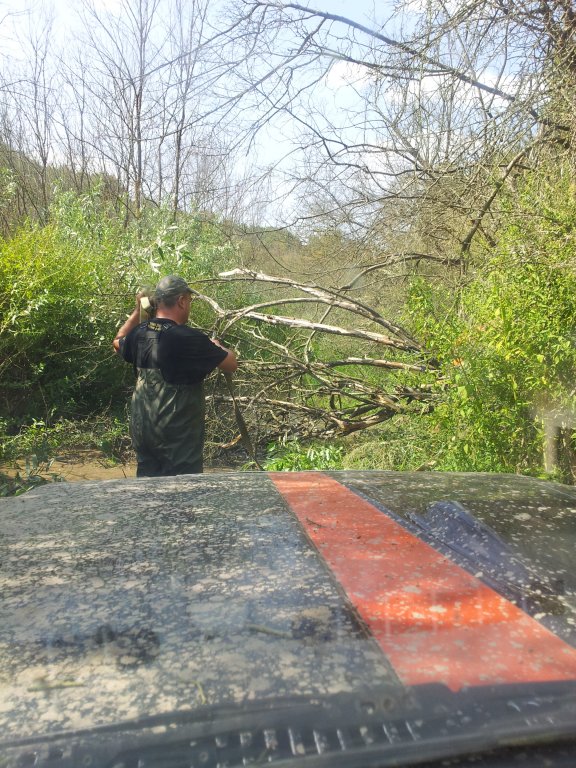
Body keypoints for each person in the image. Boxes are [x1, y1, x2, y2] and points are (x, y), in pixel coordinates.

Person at [113, 275, 237, 477]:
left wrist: (137, 310)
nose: (189, 305)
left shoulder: (140, 333)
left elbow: (117, 342)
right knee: (184, 491)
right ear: (181, 301)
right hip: (177, 441)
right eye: (189, 300)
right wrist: (216, 346)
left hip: (143, 433)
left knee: (147, 490)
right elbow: (231, 364)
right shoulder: (188, 338)